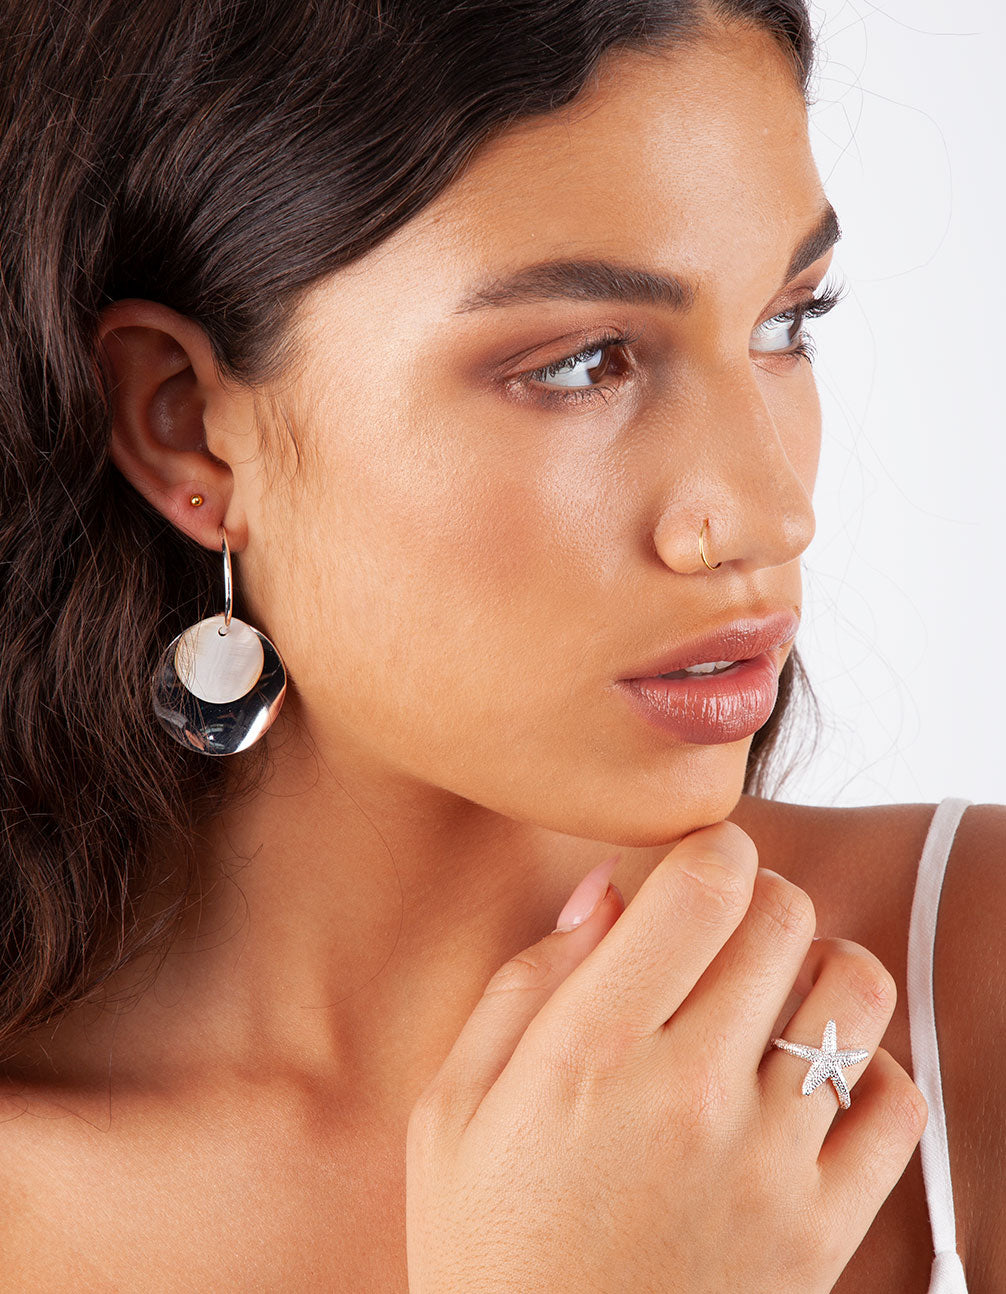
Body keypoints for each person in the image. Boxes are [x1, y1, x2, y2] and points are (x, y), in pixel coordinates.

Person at [0, 0, 1002, 1289]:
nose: (768, 513)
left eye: (784, 325)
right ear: (189, 424)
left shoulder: (968, 989)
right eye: (583, 363)